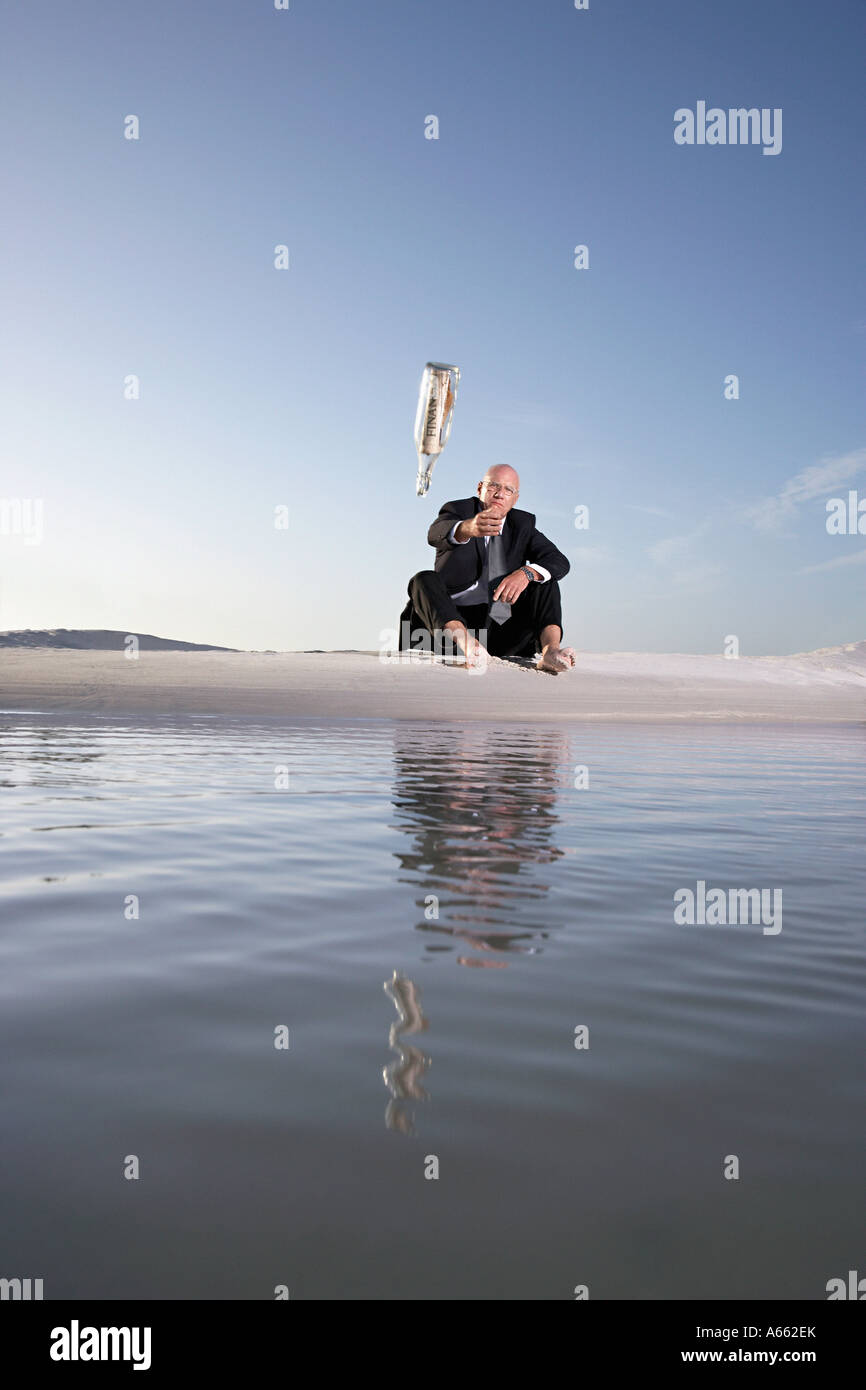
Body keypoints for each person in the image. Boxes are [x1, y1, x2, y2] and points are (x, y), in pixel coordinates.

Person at [398, 465, 575, 672]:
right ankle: (467, 644)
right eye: (493, 486)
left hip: (499, 628)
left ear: (515, 498)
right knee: (423, 579)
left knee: (544, 580)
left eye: (508, 490)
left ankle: (551, 652)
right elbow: (435, 533)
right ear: (480, 487)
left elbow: (558, 560)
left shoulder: (522, 525)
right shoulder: (458, 510)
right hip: (449, 624)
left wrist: (526, 573)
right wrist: (467, 528)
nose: (500, 494)